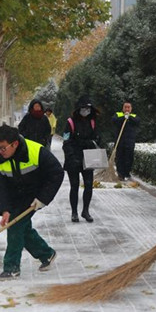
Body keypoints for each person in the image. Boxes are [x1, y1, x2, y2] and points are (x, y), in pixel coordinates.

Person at [0, 124, 64, 281]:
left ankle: (11, 267)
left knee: (15, 227)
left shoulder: (36, 151)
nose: (0, 151)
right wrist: (4, 209)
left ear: (14, 144)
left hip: (34, 194)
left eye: (3, 148)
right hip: (14, 194)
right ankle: (46, 254)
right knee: (22, 228)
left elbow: (56, 172)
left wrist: (43, 198)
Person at [62, 95, 100, 223]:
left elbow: (97, 138)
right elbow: (66, 141)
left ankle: (86, 211)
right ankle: (74, 212)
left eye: (88, 108)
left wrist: (92, 143)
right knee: (75, 186)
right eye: (83, 108)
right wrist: (71, 156)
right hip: (74, 158)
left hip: (88, 158)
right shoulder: (70, 122)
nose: (86, 111)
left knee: (89, 185)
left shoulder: (93, 122)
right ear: (78, 109)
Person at [112, 101, 140, 180]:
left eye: (128, 107)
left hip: (130, 141)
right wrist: (123, 117)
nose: (127, 109)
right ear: (123, 108)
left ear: (131, 109)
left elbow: (137, 121)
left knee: (129, 157)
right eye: (125, 107)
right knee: (119, 157)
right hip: (120, 141)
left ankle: (127, 173)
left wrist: (129, 117)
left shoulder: (134, 116)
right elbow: (114, 121)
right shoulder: (118, 115)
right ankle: (120, 174)